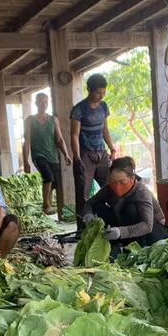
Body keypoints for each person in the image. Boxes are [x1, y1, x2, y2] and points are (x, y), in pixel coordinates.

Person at [82, 156, 168, 256]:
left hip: (151, 232)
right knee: (100, 208)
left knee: (130, 209)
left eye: (122, 182)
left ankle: (138, 250)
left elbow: (147, 225)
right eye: (113, 181)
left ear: (132, 178)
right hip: (126, 226)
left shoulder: (142, 192)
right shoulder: (109, 189)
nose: (117, 186)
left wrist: (120, 232)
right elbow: (90, 203)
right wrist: (88, 214)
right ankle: (112, 247)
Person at [71, 73, 117, 229]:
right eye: (98, 92)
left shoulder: (104, 107)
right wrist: (77, 159)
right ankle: (82, 229)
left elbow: (105, 130)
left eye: (104, 92)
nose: (101, 96)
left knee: (111, 187)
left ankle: (113, 222)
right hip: (85, 155)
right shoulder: (79, 109)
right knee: (83, 193)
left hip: (102, 153)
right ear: (89, 90)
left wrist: (112, 149)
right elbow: (74, 135)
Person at [23, 92, 71, 215]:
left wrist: (66, 154)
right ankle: (46, 204)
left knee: (53, 182)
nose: (43, 104)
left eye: (45, 101)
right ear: (36, 103)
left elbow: (59, 139)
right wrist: (26, 161)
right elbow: (27, 141)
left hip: (53, 156)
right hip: (38, 155)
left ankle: (47, 207)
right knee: (48, 176)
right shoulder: (30, 121)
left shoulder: (53, 120)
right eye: (40, 101)